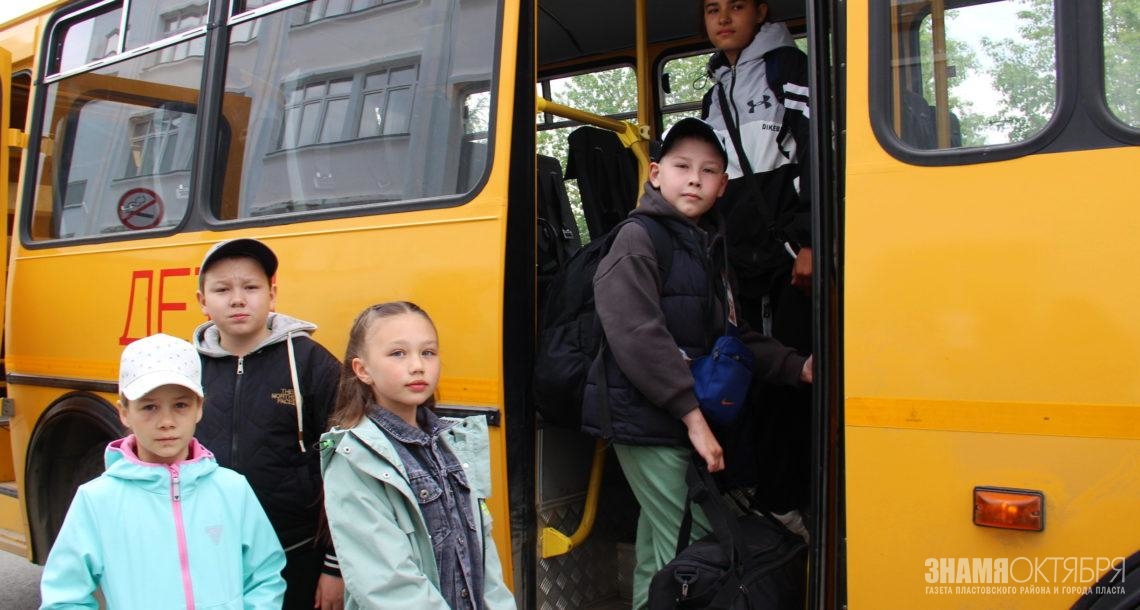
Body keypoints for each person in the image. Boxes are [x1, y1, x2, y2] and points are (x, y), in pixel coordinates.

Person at [579, 118, 811, 610]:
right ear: (657, 174)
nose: (694, 180)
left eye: (708, 172)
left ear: (723, 186)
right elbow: (638, 334)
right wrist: (693, 419)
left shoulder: (705, 246)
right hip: (646, 417)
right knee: (691, 540)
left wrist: (798, 367)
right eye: (682, 167)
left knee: (658, 546)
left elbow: (734, 335)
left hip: (673, 416)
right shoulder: (638, 239)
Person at [40, 333, 286, 609]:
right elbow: (64, 597)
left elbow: (265, 575)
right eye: (149, 407)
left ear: (199, 408)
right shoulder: (96, 500)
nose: (166, 422)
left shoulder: (232, 489)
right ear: (124, 412)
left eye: (180, 405)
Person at [319, 301, 516, 610]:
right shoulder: (355, 459)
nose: (417, 366)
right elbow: (388, 584)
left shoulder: (453, 443)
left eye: (428, 352)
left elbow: (483, 555)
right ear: (362, 370)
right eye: (398, 353)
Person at [701, 0, 816, 522]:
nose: (723, 19)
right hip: (737, 263)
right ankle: (765, 502)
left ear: (761, 11)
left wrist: (809, 240)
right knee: (744, 378)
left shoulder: (787, 68)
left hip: (785, 258)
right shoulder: (713, 93)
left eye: (736, 6)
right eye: (711, 9)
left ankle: (794, 502)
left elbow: (816, 153)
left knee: (791, 381)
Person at [193, 238, 344, 610]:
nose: (238, 299)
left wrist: (334, 567)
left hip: (297, 553)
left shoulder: (309, 361)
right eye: (222, 289)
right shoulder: (186, 367)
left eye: (251, 287)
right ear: (202, 301)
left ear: (272, 295)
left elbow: (346, 465)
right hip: (211, 551)